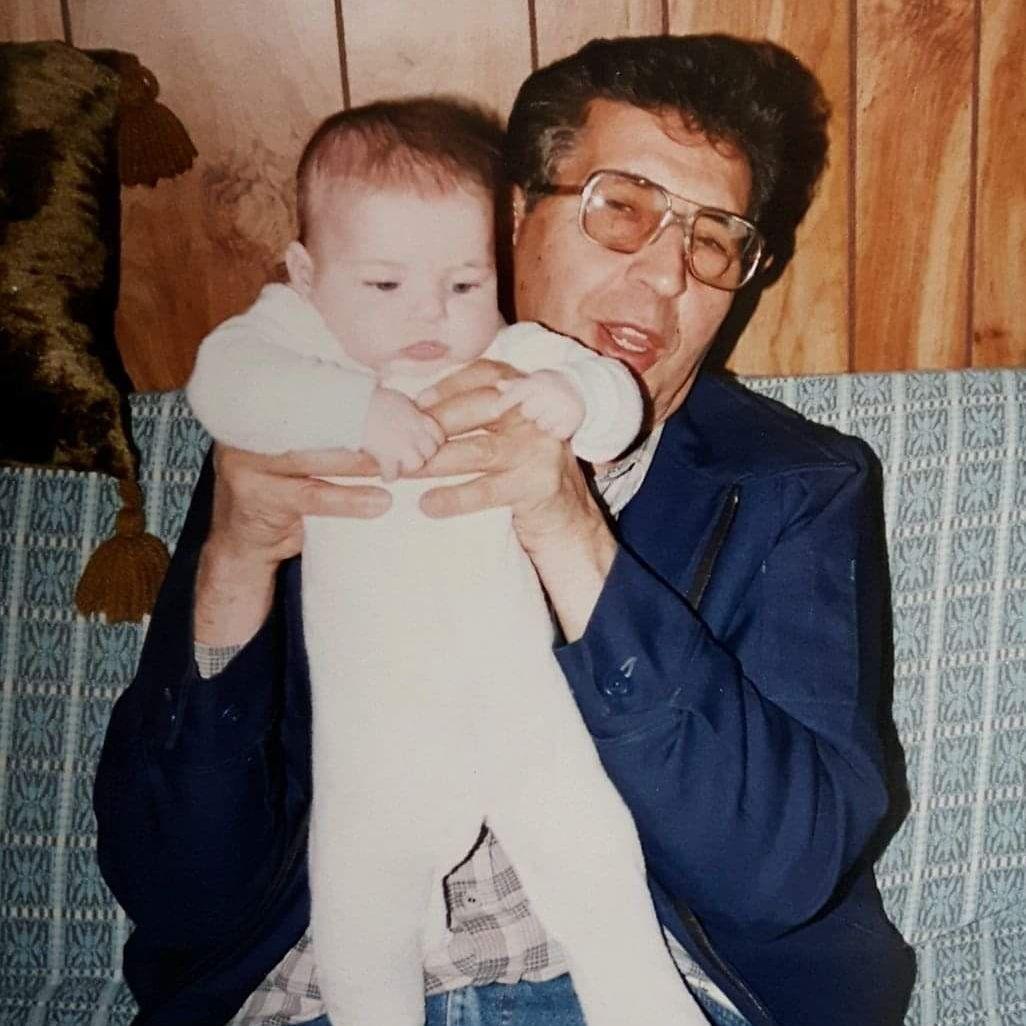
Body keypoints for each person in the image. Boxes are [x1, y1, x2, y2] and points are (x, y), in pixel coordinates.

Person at [94, 33, 916, 1026]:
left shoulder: (794, 486)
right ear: (514, 215)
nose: (665, 278)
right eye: (622, 208)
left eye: (713, 239)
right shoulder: (307, 429)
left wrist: (571, 531)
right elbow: (175, 887)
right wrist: (234, 568)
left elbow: (784, 868)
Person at [184, 98, 707, 1026]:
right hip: (376, 741)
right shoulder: (306, 357)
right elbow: (220, 382)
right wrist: (352, 412)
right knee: (361, 922)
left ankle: (647, 1007)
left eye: (465, 283)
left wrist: (571, 399)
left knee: (594, 860)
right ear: (304, 276)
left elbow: (615, 401)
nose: (429, 312)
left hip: (519, 711)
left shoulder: (506, 352)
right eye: (384, 285)